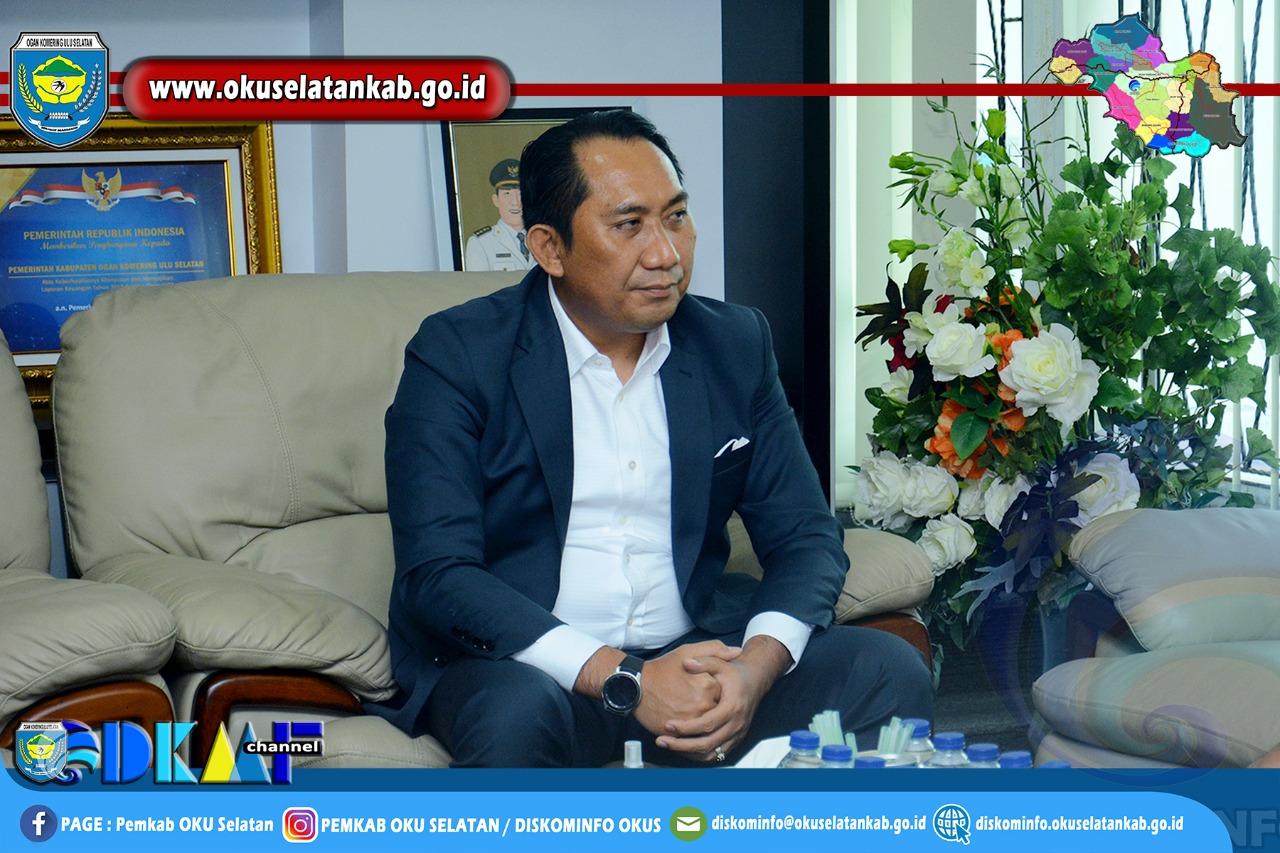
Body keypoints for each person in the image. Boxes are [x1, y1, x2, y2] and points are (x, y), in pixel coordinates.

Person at [377, 110, 932, 767]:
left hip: (692, 652)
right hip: (534, 665)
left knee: (885, 669)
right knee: (514, 716)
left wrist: (753, 670)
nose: (665, 253)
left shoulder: (733, 343)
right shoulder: (459, 352)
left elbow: (806, 536)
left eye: (676, 217)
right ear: (549, 248)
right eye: (629, 224)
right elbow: (438, 573)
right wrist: (626, 678)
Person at [463, 158, 537, 272]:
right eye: (507, 193)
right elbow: (478, 283)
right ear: (496, 200)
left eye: (521, 194)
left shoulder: (545, 240)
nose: (515, 202)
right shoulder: (480, 243)